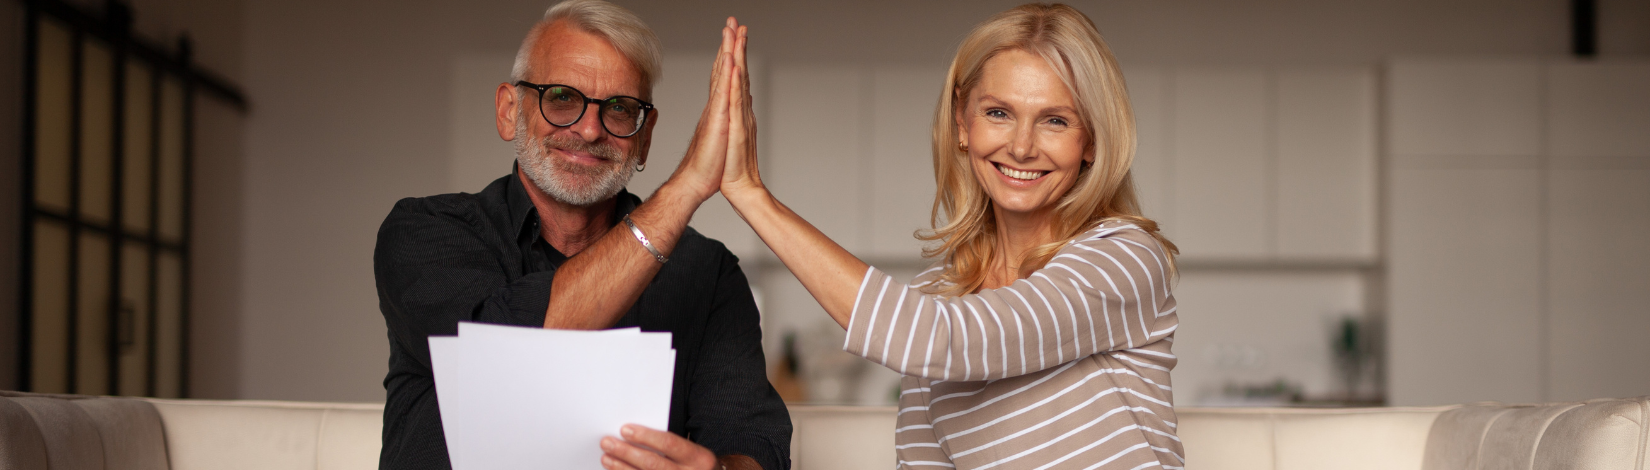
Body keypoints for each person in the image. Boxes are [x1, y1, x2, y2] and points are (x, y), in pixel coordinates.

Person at [716, 3, 1181, 469]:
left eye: (1055, 120)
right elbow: (923, 461)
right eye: (999, 112)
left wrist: (751, 195)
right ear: (963, 121)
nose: (1021, 146)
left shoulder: (1125, 257)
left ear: (1093, 140)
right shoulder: (937, 293)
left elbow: (937, 339)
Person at [372, 1, 787, 469]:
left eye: (619, 108)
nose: (590, 130)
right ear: (511, 111)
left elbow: (754, 449)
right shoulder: (428, 232)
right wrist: (688, 185)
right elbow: (504, 353)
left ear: (644, 136)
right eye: (562, 97)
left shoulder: (706, 273)